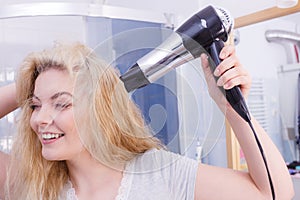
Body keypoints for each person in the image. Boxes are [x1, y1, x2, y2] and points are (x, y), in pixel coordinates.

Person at [0, 42, 294, 200]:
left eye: (62, 103)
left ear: (101, 110)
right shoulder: (34, 185)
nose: (40, 119)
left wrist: (230, 105)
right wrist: (31, 81)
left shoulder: (160, 174)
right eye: (35, 106)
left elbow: (274, 193)